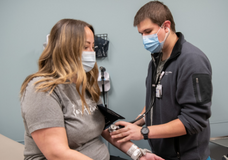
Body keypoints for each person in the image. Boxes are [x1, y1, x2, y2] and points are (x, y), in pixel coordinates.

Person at [20, 18, 164, 160]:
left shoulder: (85, 84)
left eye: (92, 47)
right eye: (85, 47)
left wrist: (138, 154)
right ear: (64, 48)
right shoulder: (42, 89)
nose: (91, 53)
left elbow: (104, 129)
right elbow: (57, 154)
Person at [110, 1, 213, 160]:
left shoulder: (193, 60)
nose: (144, 38)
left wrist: (143, 132)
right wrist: (136, 123)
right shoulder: (156, 61)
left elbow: (194, 120)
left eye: (148, 31)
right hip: (162, 154)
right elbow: (155, 101)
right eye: (141, 34)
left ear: (166, 26)